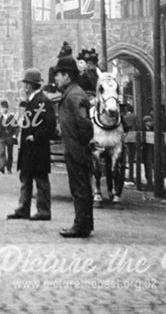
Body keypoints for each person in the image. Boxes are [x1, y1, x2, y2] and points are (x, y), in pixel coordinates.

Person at [7, 69, 56, 222]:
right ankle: (23, 209)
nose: (24, 87)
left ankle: (43, 211)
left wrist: (34, 136)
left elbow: (50, 125)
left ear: (30, 85)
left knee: (41, 180)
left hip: (37, 148)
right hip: (29, 149)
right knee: (25, 178)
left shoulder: (42, 101)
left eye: (26, 84)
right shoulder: (33, 100)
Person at [55, 56, 95, 238]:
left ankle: (81, 226)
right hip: (74, 148)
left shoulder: (75, 95)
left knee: (80, 188)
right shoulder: (71, 94)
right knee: (79, 187)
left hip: (77, 149)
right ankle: (84, 224)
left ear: (68, 76)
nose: (56, 78)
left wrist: (81, 145)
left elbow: (84, 123)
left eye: (59, 75)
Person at [0, 100, 18, 175]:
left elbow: (16, 127)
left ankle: (9, 168)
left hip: (9, 136)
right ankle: (2, 166)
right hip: (1, 137)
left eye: (5, 108)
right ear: (1, 109)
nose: (4, 109)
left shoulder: (11, 117)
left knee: (10, 153)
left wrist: (15, 134)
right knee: (1, 151)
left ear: (8, 108)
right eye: (3, 108)